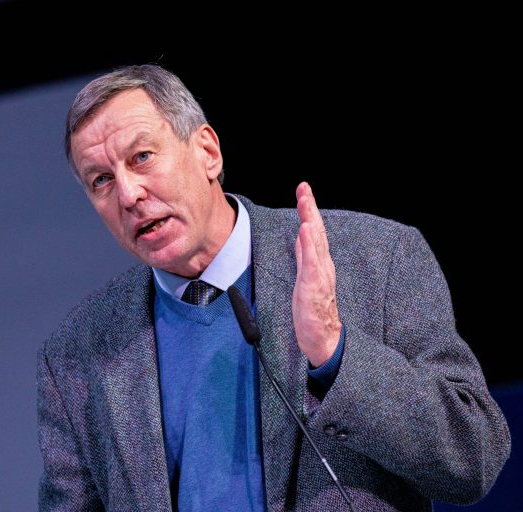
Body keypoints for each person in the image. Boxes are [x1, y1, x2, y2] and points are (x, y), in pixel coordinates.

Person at [36, 64, 510, 511]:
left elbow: (473, 459)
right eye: (101, 180)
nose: (128, 195)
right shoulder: (78, 352)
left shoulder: (374, 257)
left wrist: (335, 353)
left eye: (142, 157)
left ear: (207, 151)